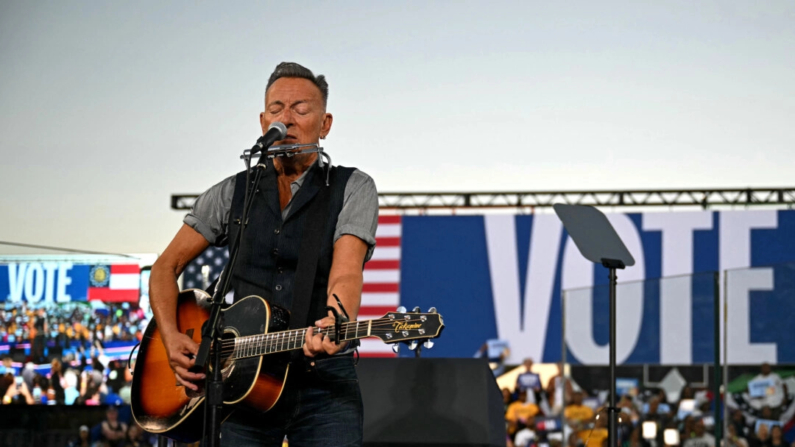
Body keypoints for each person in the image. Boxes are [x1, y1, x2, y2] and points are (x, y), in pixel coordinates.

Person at [149, 62, 378, 447]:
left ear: (325, 125)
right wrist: (171, 337)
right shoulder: (231, 192)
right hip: (240, 381)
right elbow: (164, 268)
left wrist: (337, 320)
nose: (286, 119)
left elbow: (346, 272)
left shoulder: (353, 187)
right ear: (262, 120)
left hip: (322, 381)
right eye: (276, 110)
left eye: (300, 110)